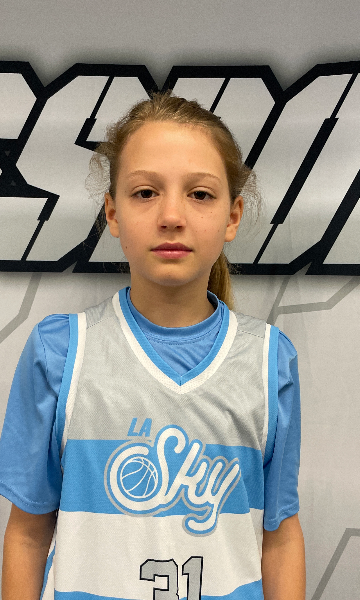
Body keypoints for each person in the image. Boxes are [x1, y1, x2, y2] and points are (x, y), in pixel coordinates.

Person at [0, 92, 305, 600]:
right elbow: (28, 533)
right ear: (113, 213)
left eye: (200, 194)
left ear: (232, 216)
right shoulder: (61, 353)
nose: (171, 215)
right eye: (145, 192)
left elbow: (280, 536)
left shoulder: (269, 361)